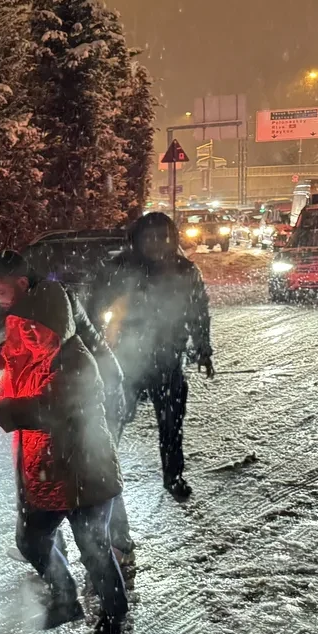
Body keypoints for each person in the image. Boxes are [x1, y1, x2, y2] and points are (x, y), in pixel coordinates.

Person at [0, 250, 129, 634]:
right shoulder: (31, 339)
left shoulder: (74, 361)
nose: (23, 339)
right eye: (22, 332)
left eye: (33, 333)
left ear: (49, 328)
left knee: (93, 547)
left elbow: (48, 410)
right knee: (30, 540)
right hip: (46, 468)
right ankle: (65, 598)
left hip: (81, 466)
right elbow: (9, 355)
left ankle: (114, 615)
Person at [0, 269, 134, 555]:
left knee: (92, 477)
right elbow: (15, 348)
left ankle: (116, 545)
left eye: (0, 291)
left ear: (20, 283)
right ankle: (54, 546)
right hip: (68, 398)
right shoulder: (25, 310)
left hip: (96, 391)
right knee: (51, 473)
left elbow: (41, 400)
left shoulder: (53, 307)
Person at [90, 213, 214, 500]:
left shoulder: (184, 270)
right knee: (115, 416)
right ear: (137, 240)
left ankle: (174, 476)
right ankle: (102, 475)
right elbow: (94, 307)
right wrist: (94, 349)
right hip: (125, 359)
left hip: (168, 358)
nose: (157, 243)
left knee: (171, 422)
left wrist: (203, 349)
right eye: (150, 237)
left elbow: (198, 312)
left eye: (163, 237)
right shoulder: (119, 269)